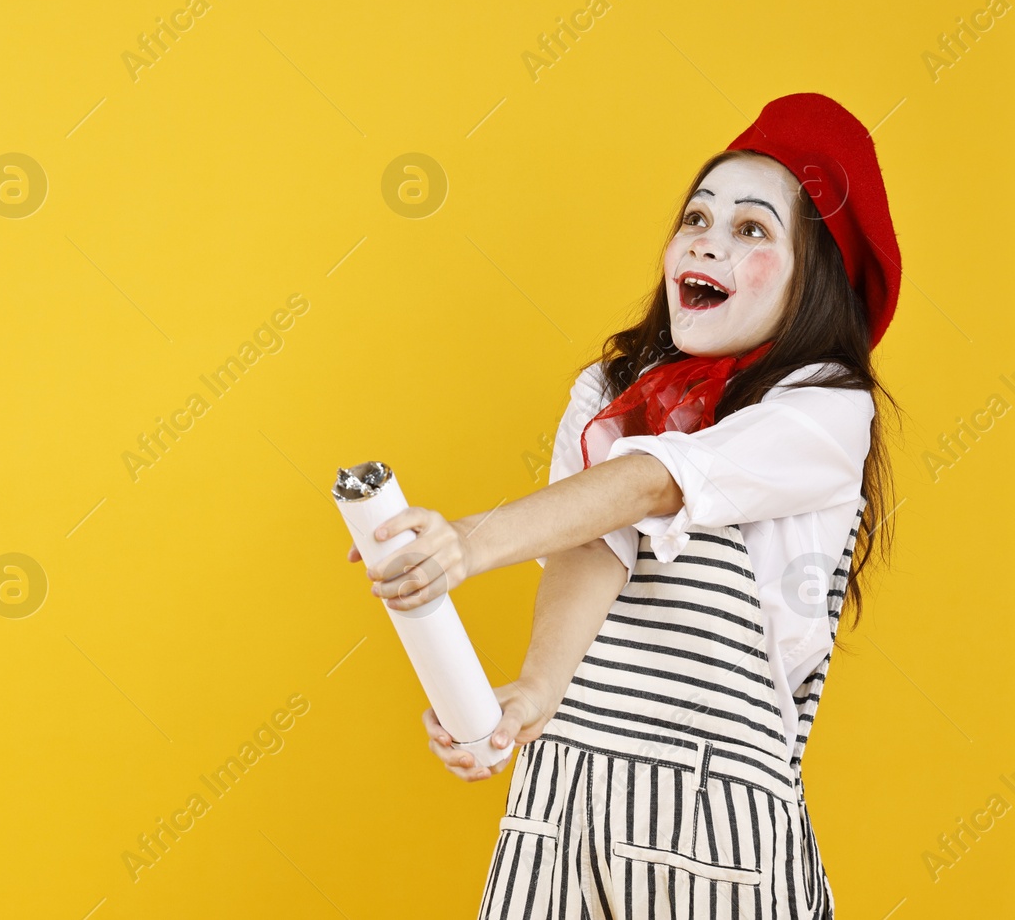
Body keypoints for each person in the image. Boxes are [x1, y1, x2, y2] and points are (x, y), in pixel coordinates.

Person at [350, 93, 902, 918]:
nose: (709, 236)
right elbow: (595, 537)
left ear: (813, 280)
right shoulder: (609, 390)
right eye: (697, 216)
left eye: (753, 228)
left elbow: (658, 481)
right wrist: (531, 696)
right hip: (565, 795)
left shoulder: (821, 406)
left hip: (715, 819)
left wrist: (468, 540)